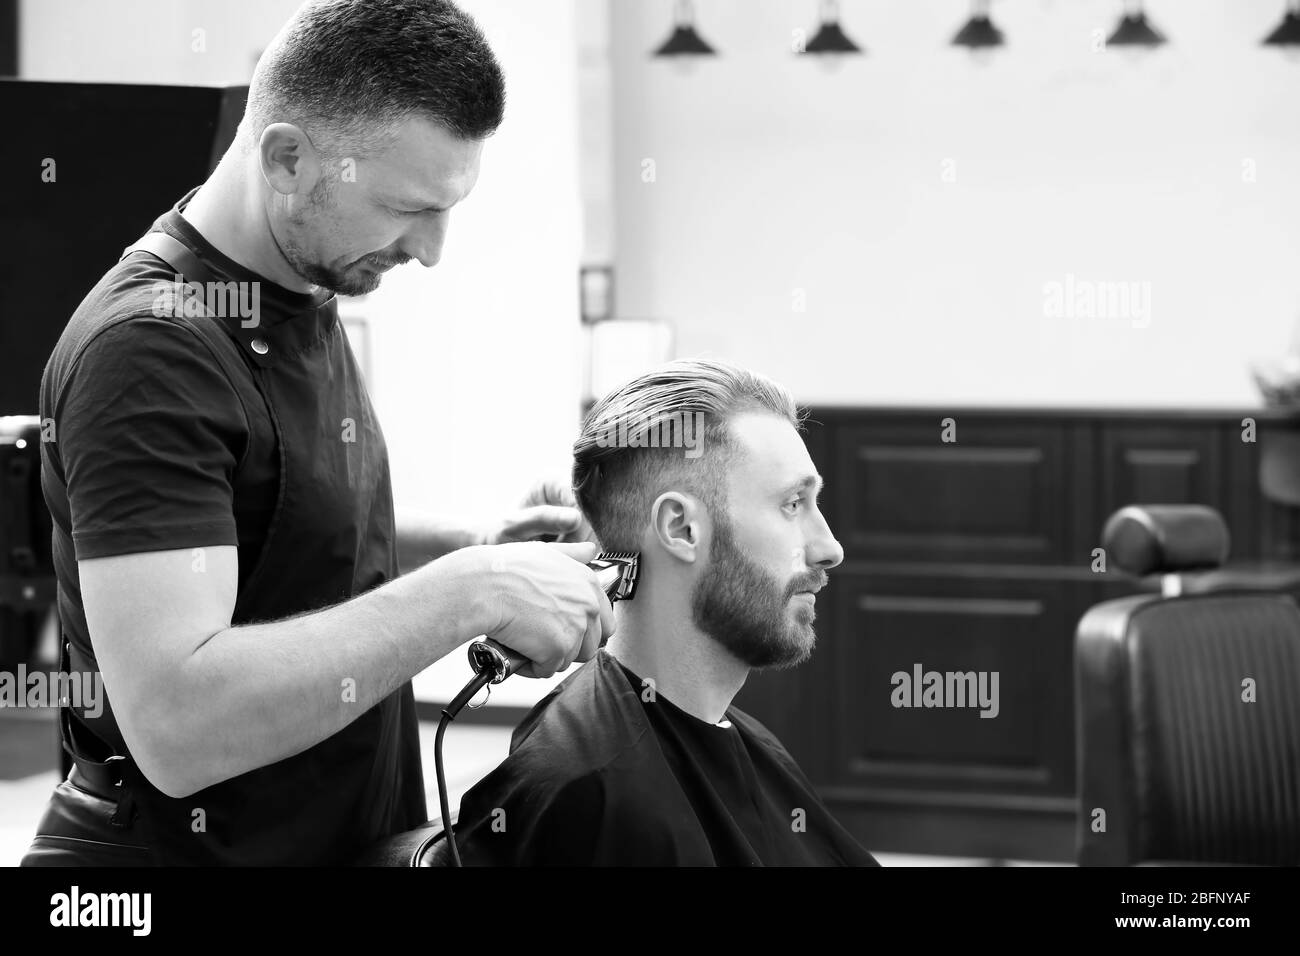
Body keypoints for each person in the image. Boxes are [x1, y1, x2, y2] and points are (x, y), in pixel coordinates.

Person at [23, 0, 613, 866]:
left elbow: (270, 536)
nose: (432, 249)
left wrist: (475, 549)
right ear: (287, 157)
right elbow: (178, 725)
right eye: (405, 207)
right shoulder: (148, 351)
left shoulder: (298, 288)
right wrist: (471, 591)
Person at [453, 359, 880, 866]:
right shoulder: (594, 794)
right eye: (793, 505)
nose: (829, 547)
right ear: (680, 529)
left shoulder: (739, 736)